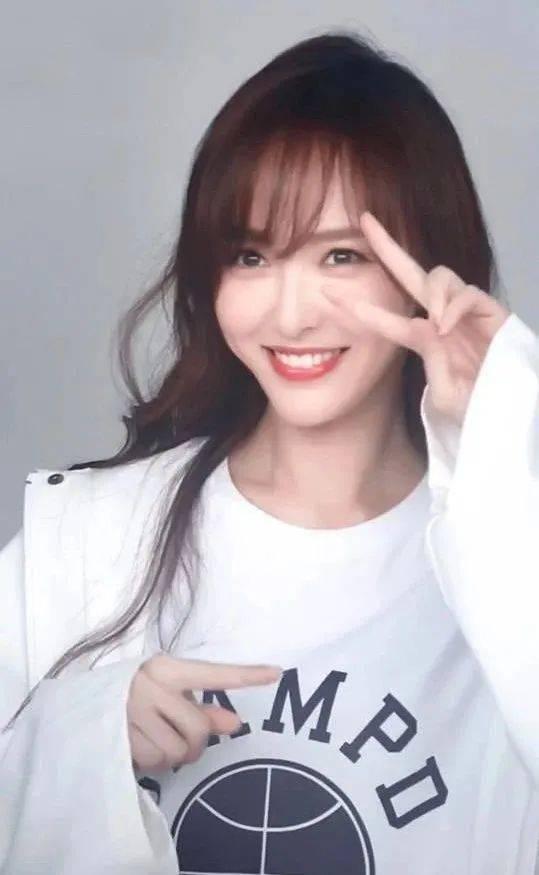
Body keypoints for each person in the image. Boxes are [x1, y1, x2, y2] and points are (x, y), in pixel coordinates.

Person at [1, 28, 539, 875]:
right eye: (251, 255)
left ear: (429, 270)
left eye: (341, 256)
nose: (289, 315)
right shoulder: (88, 540)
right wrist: (87, 734)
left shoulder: (506, 542)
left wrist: (507, 432)